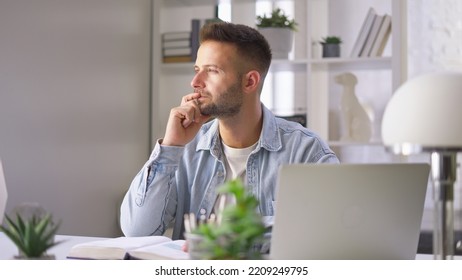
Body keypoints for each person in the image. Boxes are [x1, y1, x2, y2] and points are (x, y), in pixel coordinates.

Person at [120, 22, 339, 240]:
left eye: (212, 71)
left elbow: (333, 236)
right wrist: (170, 147)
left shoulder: (306, 152)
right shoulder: (184, 149)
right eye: (197, 70)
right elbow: (137, 232)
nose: (195, 82)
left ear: (250, 81)